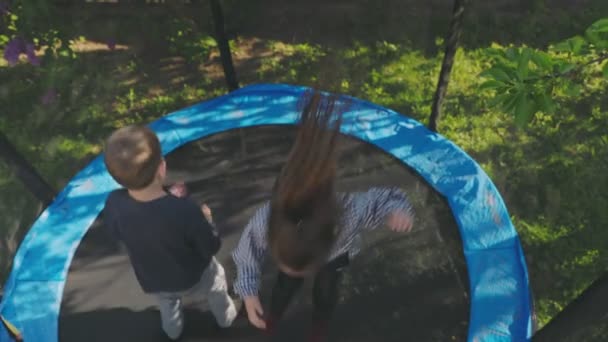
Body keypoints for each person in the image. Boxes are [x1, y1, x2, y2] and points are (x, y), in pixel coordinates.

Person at [231, 90, 415, 341]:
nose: (303, 273)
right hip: (302, 251)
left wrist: (397, 210)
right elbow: (247, 250)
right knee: (284, 286)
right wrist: (249, 291)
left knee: (325, 291)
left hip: (334, 259)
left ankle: (320, 322)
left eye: (302, 269)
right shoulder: (267, 220)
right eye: (291, 266)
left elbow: (388, 197)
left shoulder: (349, 212)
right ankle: (274, 314)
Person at [102, 125, 239, 341]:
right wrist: (208, 221)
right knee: (216, 287)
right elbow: (210, 246)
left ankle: (172, 331)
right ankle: (226, 318)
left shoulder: (114, 202)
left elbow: (116, 235)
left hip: (154, 278)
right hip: (195, 275)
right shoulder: (185, 210)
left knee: (168, 304)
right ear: (162, 167)